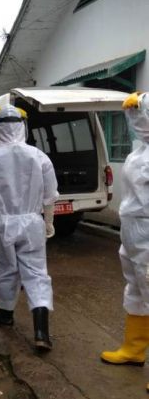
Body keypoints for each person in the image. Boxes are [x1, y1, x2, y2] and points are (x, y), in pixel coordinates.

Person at [0, 104, 59, 351]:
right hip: (32, 222)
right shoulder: (39, 156)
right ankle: (41, 333)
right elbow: (50, 195)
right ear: (23, 127)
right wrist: (49, 222)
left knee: (6, 270)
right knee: (37, 272)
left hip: (2, 223)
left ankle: (5, 314)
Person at [101, 92, 149, 370]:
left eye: (137, 113)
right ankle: (134, 348)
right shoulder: (139, 149)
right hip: (132, 228)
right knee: (135, 287)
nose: (133, 120)